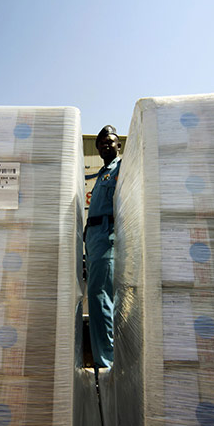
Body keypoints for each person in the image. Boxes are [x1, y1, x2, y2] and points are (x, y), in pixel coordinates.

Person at [85, 125, 121, 369]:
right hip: (94, 238)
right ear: (97, 148)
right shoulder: (103, 173)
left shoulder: (122, 169)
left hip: (108, 236)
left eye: (111, 141)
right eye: (102, 143)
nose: (107, 145)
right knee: (98, 296)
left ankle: (106, 362)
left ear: (119, 145)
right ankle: (104, 358)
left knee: (100, 298)